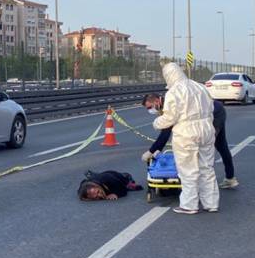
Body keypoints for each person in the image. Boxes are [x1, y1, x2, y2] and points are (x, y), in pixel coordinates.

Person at [153, 63, 219, 214]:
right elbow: (211, 107)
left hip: (186, 132)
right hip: (206, 128)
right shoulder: (200, 87)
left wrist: (157, 123)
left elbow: (170, 117)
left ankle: (189, 205)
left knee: (188, 170)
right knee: (207, 168)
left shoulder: (174, 92)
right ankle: (211, 203)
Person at [141, 94, 238, 189]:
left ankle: (208, 182)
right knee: (219, 146)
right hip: (213, 109)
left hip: (212, 113)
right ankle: (229, 178)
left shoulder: (170, 105)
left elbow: (165, 133)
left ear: (157, 101)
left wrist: (151, 151)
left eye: (150, 107)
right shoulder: (166, 103)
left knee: (207, 146)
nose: (150, 110)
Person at [77, 170, 143, 201]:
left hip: (117, 177)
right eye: (96, 197)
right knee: (94, 178)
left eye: (98, 192)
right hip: (96, 178)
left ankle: (129, 181)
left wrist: (115, 194)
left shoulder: (108, 179)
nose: (100, 196)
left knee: (127, 183)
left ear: (96, 187)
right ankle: (93, 174)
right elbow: (80, 189)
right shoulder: (85, 185)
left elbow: (123, 190)